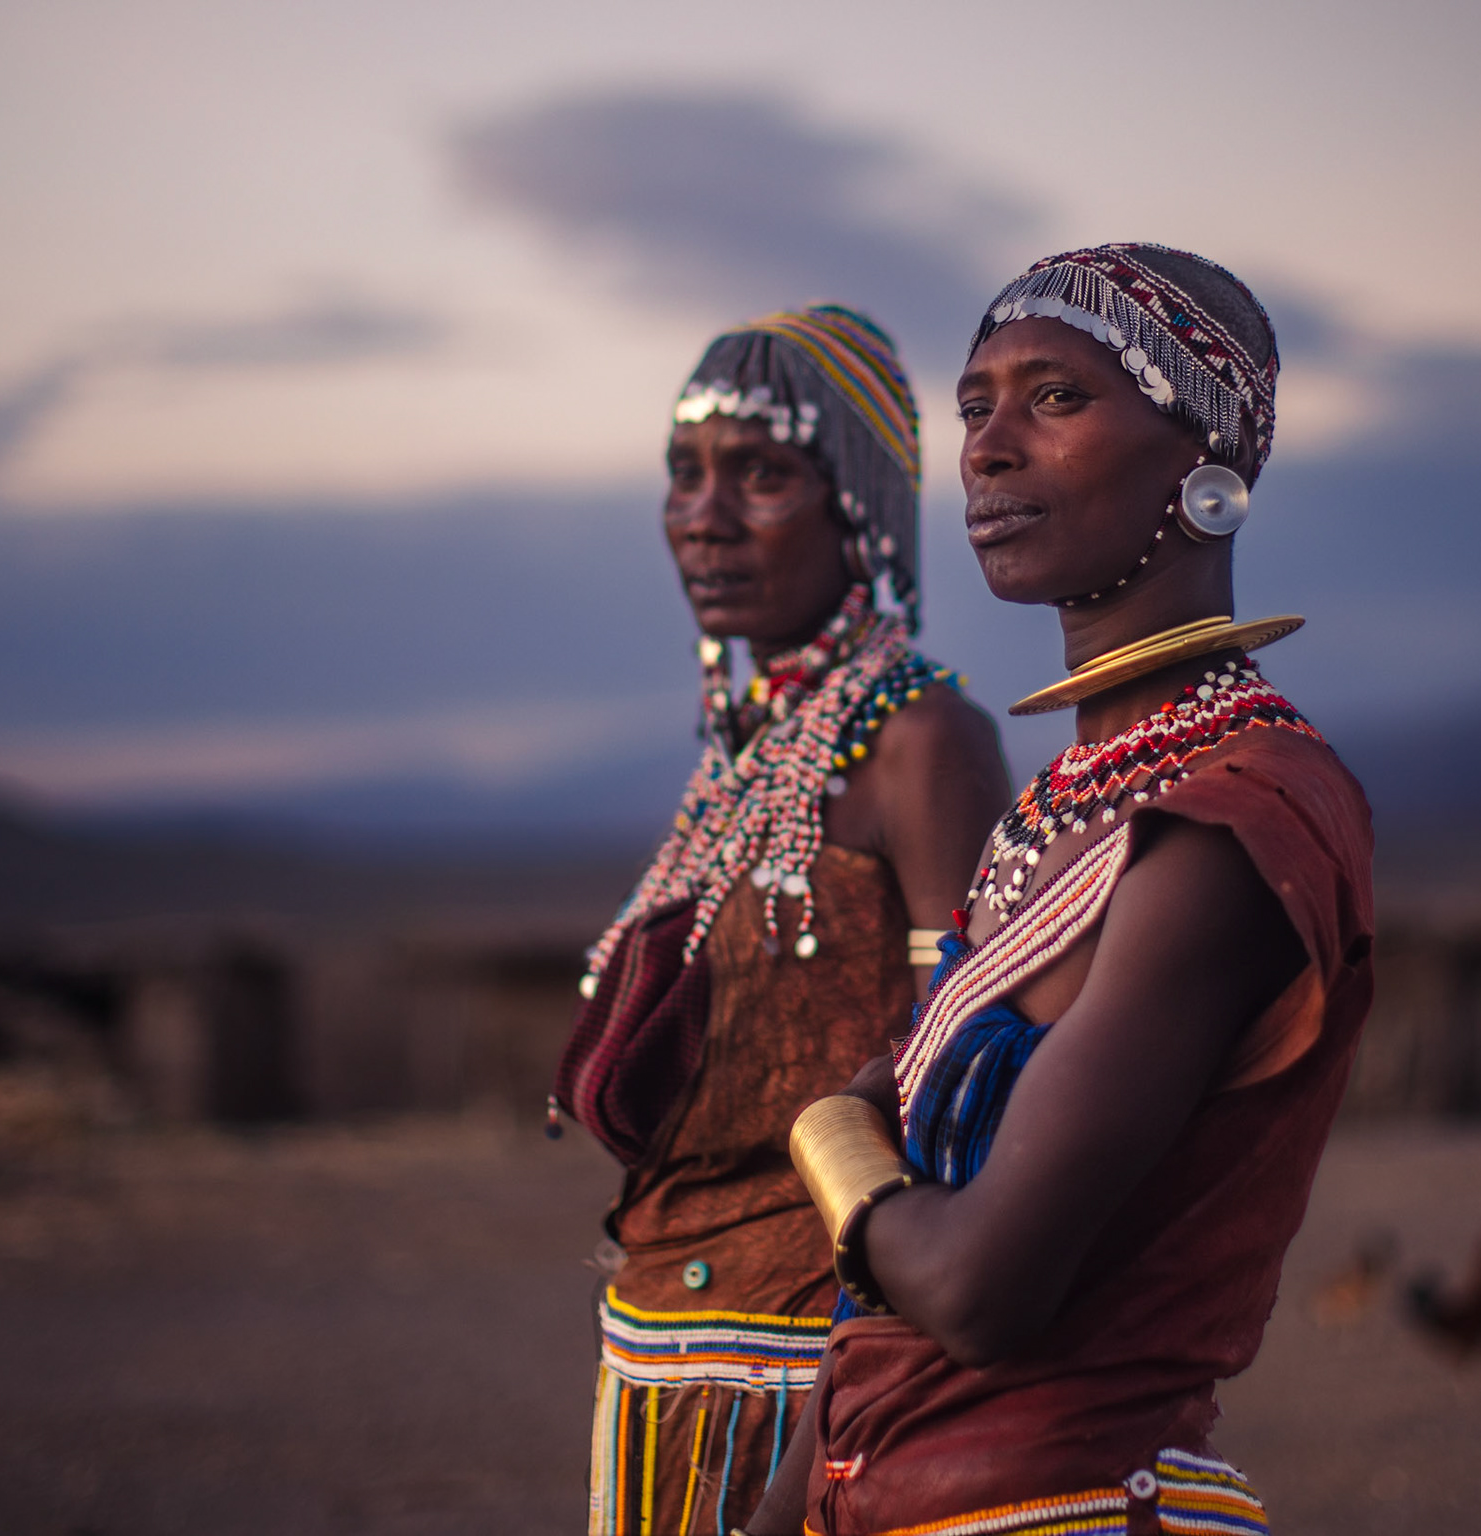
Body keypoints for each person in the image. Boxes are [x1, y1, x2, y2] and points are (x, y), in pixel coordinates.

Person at [759, 247, 1376, 1536]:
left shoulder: (1238, 821)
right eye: (977, 405)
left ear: (1204, 464)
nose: (985, 449)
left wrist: (831, 1140)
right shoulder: (1057, 809)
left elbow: (986, 1290)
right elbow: (899, 1278)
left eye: (1055, 398)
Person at [552, 303, 1009, 1536]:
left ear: (856, 503)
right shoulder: (751, 753)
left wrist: (841, 1419)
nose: (703, 515)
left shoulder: (923, 742)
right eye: (684, 475)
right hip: (660, 1348)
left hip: (807, 1380)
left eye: (760, 474)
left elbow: (960, 1097)